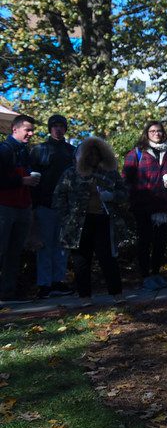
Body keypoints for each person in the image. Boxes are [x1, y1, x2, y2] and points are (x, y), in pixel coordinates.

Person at [53, 136, 130, 304]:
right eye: (90, 154)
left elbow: (124, 193)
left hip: (103, 220)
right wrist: (66, 218)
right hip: (78, 224)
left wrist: (111, 196)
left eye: (97, 154)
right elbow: (59, 197)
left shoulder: (110, 172)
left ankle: (117, 294)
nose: (94, 157)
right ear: (82, 155)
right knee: (81, 261)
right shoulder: (71, 173)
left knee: (108, 258)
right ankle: (84, 297)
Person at [122, 121, 167, 290]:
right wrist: (136, 195)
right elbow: (126, 179)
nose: (157, 133)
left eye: (159, 131)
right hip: (143, 206)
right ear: (146, 133)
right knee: (145, 241)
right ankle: (145, 276)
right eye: (153, 131)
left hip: (165, 204)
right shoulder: (137, 153)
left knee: (161, 242)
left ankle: (156, 273)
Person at [30, 114, 76, 298]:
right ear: (50, 128)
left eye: (61, 126)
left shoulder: (72, 151)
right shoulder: (39, 150)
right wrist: (33, 205)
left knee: (62, 246)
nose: (58, 129)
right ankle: (44, 284)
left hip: (65, 206)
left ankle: (58, 281)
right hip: (44, 204)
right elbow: (33, 179)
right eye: (54, 126)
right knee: (44, 246)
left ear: (65, 129)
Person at [0, 115, 38, 301]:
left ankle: (8, 292)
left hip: (22, 206)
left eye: (32, 130)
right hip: (5, 207)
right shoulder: (4, 150)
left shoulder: (24, 151)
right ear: (15, 129)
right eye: (27, 130)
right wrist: (22, 180)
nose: (30, 134)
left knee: (14, 252)